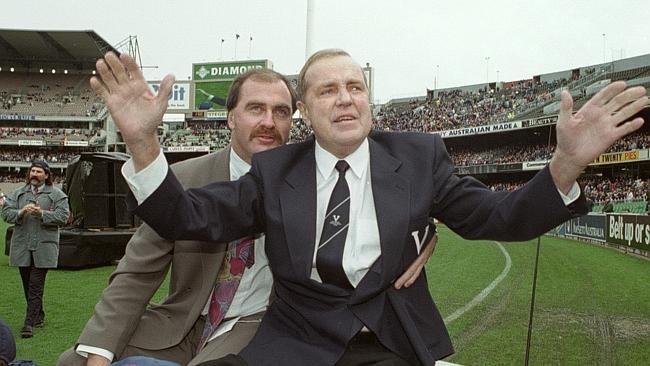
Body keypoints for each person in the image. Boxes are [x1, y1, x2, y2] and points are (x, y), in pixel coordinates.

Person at [92, 49, 648, 365]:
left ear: (369, 101)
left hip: (391, 338)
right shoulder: (274, 171)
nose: (345, 98)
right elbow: (187, 217)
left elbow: (495, 218)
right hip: (297, 343)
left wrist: (565, 165)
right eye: (328, 90)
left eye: (355, 87)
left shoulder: (419, 156)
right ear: (305, 110)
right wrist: (144, 144)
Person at [58, 68, 436, 366]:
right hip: (180, 325)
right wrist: (99, 354)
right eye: (256, 109)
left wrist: (423, 234)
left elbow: (389, 197)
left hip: (256, 326)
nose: (269, 121)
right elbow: (137, 272)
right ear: (230, 119)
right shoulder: (185, 180)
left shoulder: (319, 178)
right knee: (72, 361)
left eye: (281, 112)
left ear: (294, 122)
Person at [1, 160, 70, 339]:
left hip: (44, 246)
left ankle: (29, 323)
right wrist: (21, 212)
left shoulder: (57, 195)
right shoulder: (18, 193)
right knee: (27, 284)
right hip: (22, 245)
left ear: (46, 175)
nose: (34, 174)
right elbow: (5, 214)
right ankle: (38, 316)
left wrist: (42, 214)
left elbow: (64, 217)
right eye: (32, 171)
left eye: (39, 171)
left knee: (35, 284)